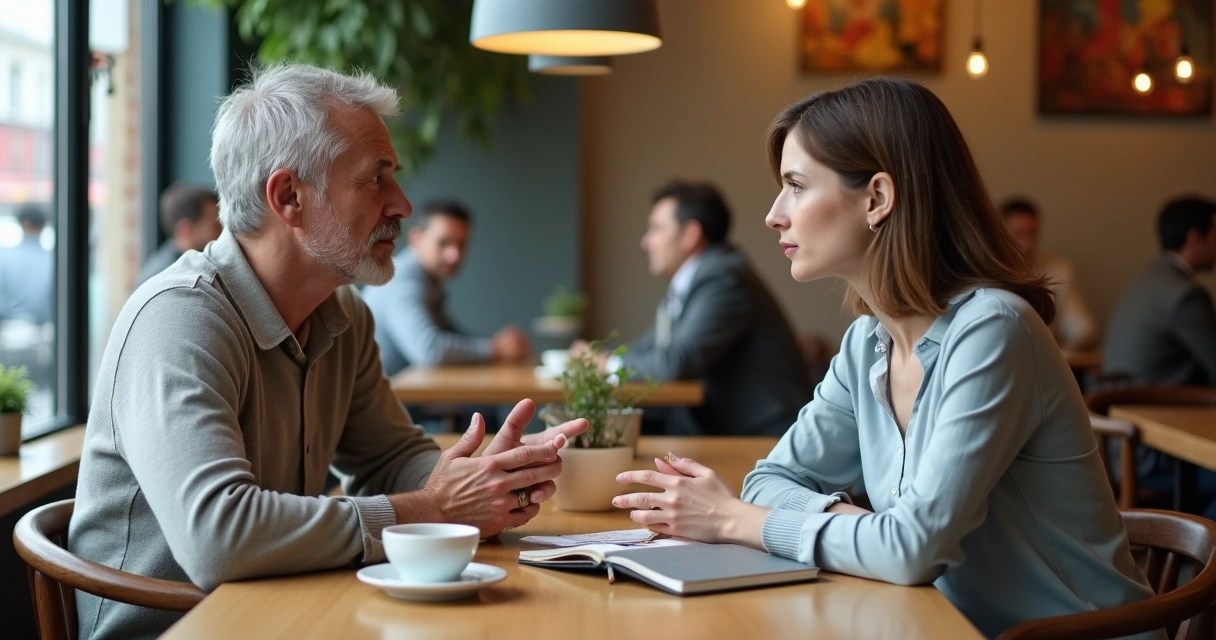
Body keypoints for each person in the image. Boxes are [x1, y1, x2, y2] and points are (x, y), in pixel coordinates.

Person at [611, 78, 1156, 639]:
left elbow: (911, 551)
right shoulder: (866, 341)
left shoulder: (994, 331)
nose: (775, 214)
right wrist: (869, 528)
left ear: (877, 198)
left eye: (796, 186)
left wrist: (735, 521)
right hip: (939, 625)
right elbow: (770, 480)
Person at [67, 63, 585, 640]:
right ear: (289, 196)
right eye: (375, 180)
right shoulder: (178, 318)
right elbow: (219, 537)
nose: (402, 205)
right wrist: (436, 507)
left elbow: (388, 460)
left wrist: (484, 474)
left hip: (280, 613)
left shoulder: (343, 315)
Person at [574, 181, 811, 436]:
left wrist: (607, 365)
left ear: (690, 234)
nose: (645, 242)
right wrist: (598, 356)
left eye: (656, 229)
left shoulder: (722, 277)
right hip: (721, 426)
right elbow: (653, 347)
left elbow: (676, 362)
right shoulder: (693, 280)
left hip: (764, 436)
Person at [363, 199, 530, 374]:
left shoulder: (428, 281)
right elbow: (430, 350)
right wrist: (495, 348)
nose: (454, 255)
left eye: (461, 245)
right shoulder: (400, 281)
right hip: (382, 399)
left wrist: (500, 344)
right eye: (444, 243)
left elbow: (449, 335)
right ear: (416, 239)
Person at [1105, 196, 1216, 386]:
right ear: (1194, 237)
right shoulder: (1186, 295)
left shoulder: (1140, 282)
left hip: (1115, 406)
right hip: (1156, 408)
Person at [1001, 197, 1098, 350]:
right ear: (1000, 235)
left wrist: (1062, 354)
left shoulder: (1058, 268)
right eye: (1019, 234)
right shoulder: (987, 274)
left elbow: (1082, 328)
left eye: (1032, 233)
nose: (1028, 243)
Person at [134, 183, 223, 287]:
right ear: (187, 231)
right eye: (216, 226)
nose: (223, 232)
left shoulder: (163, 269)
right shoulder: (170, 281)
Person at [0, 203, 54, 325]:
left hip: (8, 330)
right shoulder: (53, 259)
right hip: (44, 332)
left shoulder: (5, 257)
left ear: (23, 224)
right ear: (43, 225)